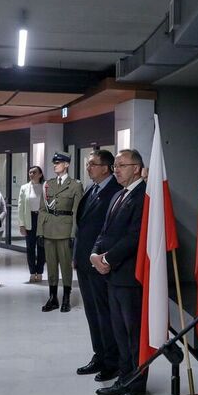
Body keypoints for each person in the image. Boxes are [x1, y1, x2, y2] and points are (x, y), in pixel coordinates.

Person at [91, 149, 148, 395]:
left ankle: (136, 386)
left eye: (121, 165)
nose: (116, 169)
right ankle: (123, 378)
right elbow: (104, 231)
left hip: (129, 277)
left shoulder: (143, 196)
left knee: (133, 335)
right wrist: (95, 254)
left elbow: (134, 237)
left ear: (137, 168)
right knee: (119, 334)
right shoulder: (117, 195)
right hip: (112, 277)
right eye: (114, 165)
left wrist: (107, 259)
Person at [73, 150, 122, 381]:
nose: (88, 168)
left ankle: (112, 361)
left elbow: (111, 232)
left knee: (105, 313)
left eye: (92, 164)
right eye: (88, 164)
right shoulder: (92, 189)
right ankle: (99, 354)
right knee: (92, 312)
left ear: (106, 167)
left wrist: (102, 257)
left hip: (101, 262)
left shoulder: (115, 191)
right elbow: (83, 227)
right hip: (84, 261)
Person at [37, 152, 83, 312]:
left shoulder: (75, 185)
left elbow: (77, 211)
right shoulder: (48, 184)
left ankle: (66, 298)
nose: (55, 165)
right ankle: (53, 297)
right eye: (54, 163)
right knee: (50, 266)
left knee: (65, 266)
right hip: (49, 229)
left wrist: (73, 234)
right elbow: (42, 210)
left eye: (59, 163)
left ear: (67, 164)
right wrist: (39, 232)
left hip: (65, 230)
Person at [18, 165, 46, 282]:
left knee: (42, 247)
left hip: (42, 220)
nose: (31, 174)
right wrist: (21, 224)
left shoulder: (46, 187)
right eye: (30, 172)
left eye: (34, 172)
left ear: (40, 174)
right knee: (30, 248)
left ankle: (39, 272)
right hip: (30, 219)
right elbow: (21, 206)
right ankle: (31, 272)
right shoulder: (24, 188)